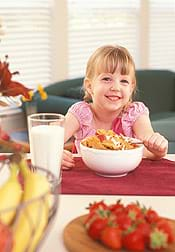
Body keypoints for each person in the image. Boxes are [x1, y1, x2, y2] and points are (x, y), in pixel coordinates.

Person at [62, 45, 168, 169]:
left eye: (124, 81)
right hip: (88, 178)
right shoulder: (80, 113)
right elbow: (50, 140)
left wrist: (158, 150)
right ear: (90, 86)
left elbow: (149, 150)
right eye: (107, 79)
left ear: (131, 88)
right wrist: (56, 155)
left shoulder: (134, 114)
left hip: (126, 181)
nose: (116, 88)